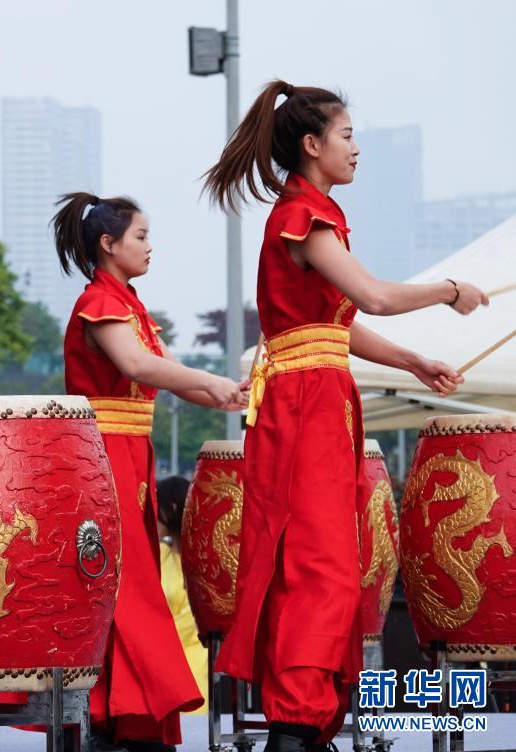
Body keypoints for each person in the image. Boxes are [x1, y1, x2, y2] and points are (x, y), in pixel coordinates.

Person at [202, 80, 488, 752]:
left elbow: (338, 325)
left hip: (316, 396)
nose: (357, 149)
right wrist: (450, 291)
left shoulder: (308, 213)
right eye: (347, 136)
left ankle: (302, 717)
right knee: (319, 564)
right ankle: (296, 724)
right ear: (312, 144)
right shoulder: (304, 216)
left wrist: (412, 362)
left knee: (320, 559)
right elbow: (374, 297)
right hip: (306, 404)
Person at [53, 192, 247, 751]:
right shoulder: (99, 301)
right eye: (140, 236)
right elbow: (137, 366)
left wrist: (219, 394)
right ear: (108, 245)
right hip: (105, 456)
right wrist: (209, 381)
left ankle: (124, 713)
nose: (149, 245)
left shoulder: (126, 301)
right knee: (120, 583)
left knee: (124, 582)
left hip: (131, 454)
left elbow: (148, 376)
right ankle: (111, 710)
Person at [154, 475, 208, 716]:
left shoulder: (204, 560)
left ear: (171, 508)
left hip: (195, 660)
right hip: (161, 660)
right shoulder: (158, 554)